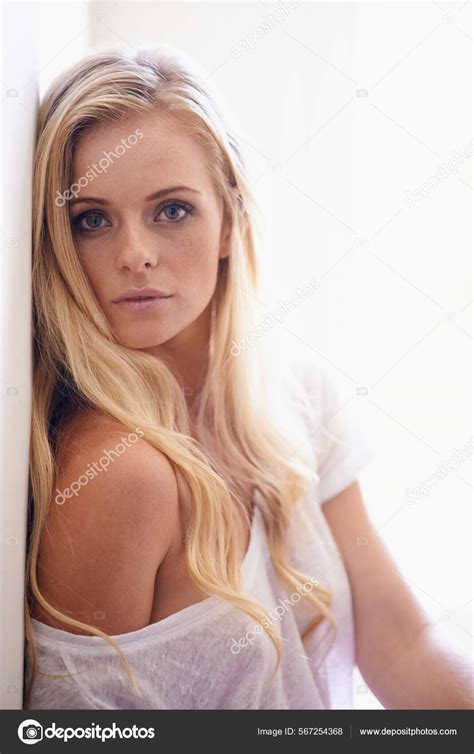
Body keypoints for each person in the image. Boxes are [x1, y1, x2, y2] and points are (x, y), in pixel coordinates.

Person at [25, 46, 473, 711]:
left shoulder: (300, 398)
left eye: (171, 210)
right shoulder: (121, 474)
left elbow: (402, 644)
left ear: (230, 219)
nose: (135, 255)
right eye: (91, 220)